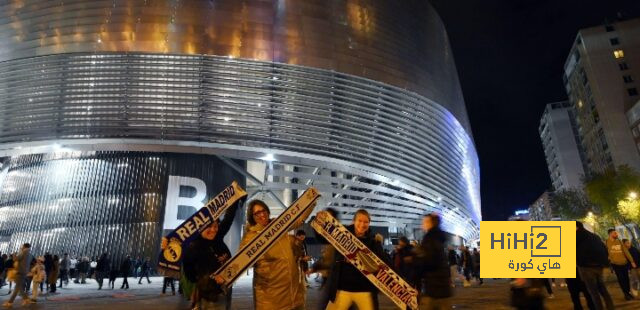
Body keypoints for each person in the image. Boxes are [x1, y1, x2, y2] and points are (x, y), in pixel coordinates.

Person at [240, 199, 313, 310]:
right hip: (271, 298)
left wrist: (311, 201)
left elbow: (298, 219)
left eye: (263, 210)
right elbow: (243, 261)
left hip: (293, 294)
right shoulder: (251, 237)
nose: (262, 214)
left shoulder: (278, 225)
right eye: (257, 213)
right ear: (252, 217)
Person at [323, 209, 390, 310]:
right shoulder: (341, 235)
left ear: (369, 223)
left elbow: (387, 263)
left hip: (365, 290)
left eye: (366, 222)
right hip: (342, 289)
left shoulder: (374, 241)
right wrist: (319, 220)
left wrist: (407, 286)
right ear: (354, 221)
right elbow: (322, 236)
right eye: (359, 221)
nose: (362, 224)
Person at [182, 198, 241, 309]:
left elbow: (228, 219)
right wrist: (208, 280)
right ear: (200, 227)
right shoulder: (194, 246)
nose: (213, 230)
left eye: (216, 225)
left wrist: (236, 198)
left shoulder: (217, 236)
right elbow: (189, 273)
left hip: (226, 288)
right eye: (209, 226)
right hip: (210, 293)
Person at [415, 213, 452, 310]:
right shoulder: (438, 237)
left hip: (434, 284)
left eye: (425, 222)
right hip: (441, 283)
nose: (422, 225)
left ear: (432, 223)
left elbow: (430, 260)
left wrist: (416, 259)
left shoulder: (430, 238)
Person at [577, 221, 614, 310]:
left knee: (593, 292)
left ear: (576, 227)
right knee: (602, 289)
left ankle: (599, 308)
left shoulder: (576, 237)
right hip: (599, 266)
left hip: (586, 268)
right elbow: (604, 249)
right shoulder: (594, 236)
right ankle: (611, 307)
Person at [606, 228, 636, 300]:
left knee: (626, 279)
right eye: (615, 233)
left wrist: (632, 261)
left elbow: (626, 252)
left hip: (624, 263)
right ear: (610, 234)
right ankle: (626, 294)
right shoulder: (606, 242)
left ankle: (628, 292)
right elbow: (605, 253)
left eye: (616, 233)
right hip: (615, 264)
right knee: (621, 279)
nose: (617, 234)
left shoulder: (619, 241)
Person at [3, 243, 33, 307]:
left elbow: (15, 259)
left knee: (17, 288)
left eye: (22, 246)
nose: (21, 247)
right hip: (24, 272)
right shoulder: (30, 254)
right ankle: (23, 299)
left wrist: (14, 254)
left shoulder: (23, 252)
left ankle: (12, 302)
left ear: (24, 246)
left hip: (20, 272)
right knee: (18, 288)